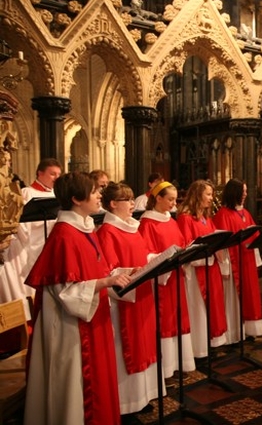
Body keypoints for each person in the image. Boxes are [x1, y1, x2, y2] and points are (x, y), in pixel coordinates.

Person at [23, 171, 131, 424]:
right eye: (94, 192)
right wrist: (106, 282)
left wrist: (124, 273)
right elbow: (66, 292)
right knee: (75, 388)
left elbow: (96, 271)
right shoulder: (64, 235)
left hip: (92, 315)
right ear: (76, 199)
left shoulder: (84, 229)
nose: (99, 195)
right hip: (69, 328)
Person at [96, 182, 164, 415]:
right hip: (123, 302)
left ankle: (143, 395)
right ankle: (127, 403)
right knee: (127, 347)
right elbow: (109, 271)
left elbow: (143, 255)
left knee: (145, 341)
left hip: (142, 294)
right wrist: (133, 271)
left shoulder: (132, 227)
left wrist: (160, 259)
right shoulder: (107, 232)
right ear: (113, 204)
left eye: (133, 199)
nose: (134, 204)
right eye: (128, 200)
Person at [138, 181, 196, 378]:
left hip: (176, 275)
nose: (174, 203)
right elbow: (146, 255)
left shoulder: (170, 220)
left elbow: (180, 243)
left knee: (178, 317)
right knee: (165, 320)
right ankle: (166, 368)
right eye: (170, 199)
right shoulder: (147, 223)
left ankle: (179, 362)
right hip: (163, 279)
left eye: (175, 199)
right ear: (158, 198)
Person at [0, 158, 61, 320]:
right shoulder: (27, 193)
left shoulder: (56, 194)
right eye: (52, 174)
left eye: (58, 174)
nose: (56, 177)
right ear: (40, 173)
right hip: (31, 246)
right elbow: (21, 224)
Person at [177, 180, 228, 355]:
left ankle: (213, 341)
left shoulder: (206, 217)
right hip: (196, 270)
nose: (211, 198)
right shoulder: (185, 218)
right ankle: (199, 348)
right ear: (197, 194)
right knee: (199, 309)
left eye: (211, 194)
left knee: (214, 305)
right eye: (208, 194)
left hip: (210, 267)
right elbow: (186, 246)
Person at [212, 178, 262, 340]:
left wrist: (256, 259)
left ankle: (250, 329)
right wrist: (225, 266)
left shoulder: (245, 212)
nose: (245, 195)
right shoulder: (223, 214)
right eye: (243, 191)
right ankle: (235, 333)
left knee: (251, 294)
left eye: (246, 191)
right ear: (234, 193)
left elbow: (254, 236)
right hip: (233, 261)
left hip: (247, 259)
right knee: (233, 299)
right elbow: (221, 244)